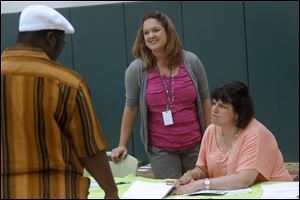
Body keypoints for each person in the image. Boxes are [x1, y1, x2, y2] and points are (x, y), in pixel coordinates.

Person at [1, 5, 118, 199]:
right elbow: (89, 148)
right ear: (50, 39)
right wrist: (111, 191)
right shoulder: (67, 84)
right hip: (56, 191)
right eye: (62, 43)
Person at [111, 10, 212, 179]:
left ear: (167, 31)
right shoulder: (136, 70)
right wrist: (122, 144)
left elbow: (205, 101)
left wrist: (211, 140)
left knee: (197, 191)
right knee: (170, 192)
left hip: (196, 144)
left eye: (156, 30)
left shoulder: (191, 61)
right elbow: (130, 108)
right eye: (146, 32)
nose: (151, 35)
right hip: (161, 148)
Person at [171, 81, 292, 195]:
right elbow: (204, 169)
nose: (214, 110)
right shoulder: (211, 131)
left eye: (222, 106)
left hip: (274, 194)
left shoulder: (256, 134)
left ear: (237, 113)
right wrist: (192, 175)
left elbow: (244, 179)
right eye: (214, 103)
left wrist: (202, 184)